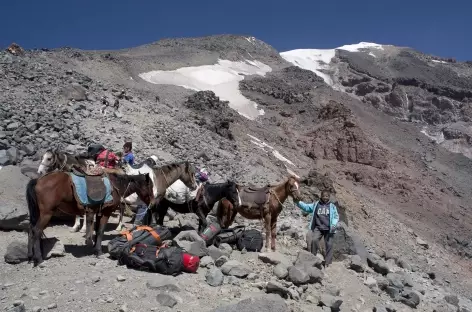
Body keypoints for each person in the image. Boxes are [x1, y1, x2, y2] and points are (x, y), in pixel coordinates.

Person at [294, 190, 339, 267]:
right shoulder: (316, 204)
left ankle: (328, 262)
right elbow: (307, 207)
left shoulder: (332, 206)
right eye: (324, 196)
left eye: (327, 196)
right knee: (314, 240)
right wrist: (298, 202)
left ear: (329, 197)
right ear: (321, 196)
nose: (325, 197)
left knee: (329, 244)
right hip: (318, 228)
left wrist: (334, 224)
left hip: (329, 229)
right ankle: (313, 257)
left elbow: (336, 216)